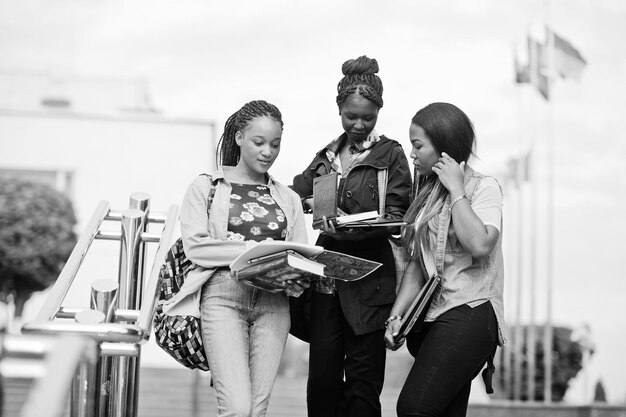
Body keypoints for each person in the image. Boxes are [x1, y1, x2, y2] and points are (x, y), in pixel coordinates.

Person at [292, 55, 412, 417]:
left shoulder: (391, 154)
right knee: (323, 384)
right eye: (351, 116)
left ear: (379, 111)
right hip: (327, 278)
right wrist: (313, 202)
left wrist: (352, 225)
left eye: (368, 117)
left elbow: (398, 218)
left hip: (370, 279)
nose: (359, 124)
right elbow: (292, 195)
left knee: (363, 386)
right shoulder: (325, 156)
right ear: (338, 109)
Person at [174, 100, 309, 417]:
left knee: (256, 411)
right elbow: (197, 247)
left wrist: (301, 273)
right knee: (236, 408)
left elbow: (299, 254)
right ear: (238, 138)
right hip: (223, 296)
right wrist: (252, 249)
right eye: (259, 142)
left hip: (274, 303)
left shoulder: (287, 198)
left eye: (275, 144)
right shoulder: (206, 187)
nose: (268, 152)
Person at [384, 102, 507, 417]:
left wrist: (456, 188)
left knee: (414, 407)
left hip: (471, 312)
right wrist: (396, 317)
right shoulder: (426, 196)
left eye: (418, 145)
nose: (412, 154)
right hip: (434, 318)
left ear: (444, 148)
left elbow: (480, 244)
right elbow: (417, 263)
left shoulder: (483, 188)